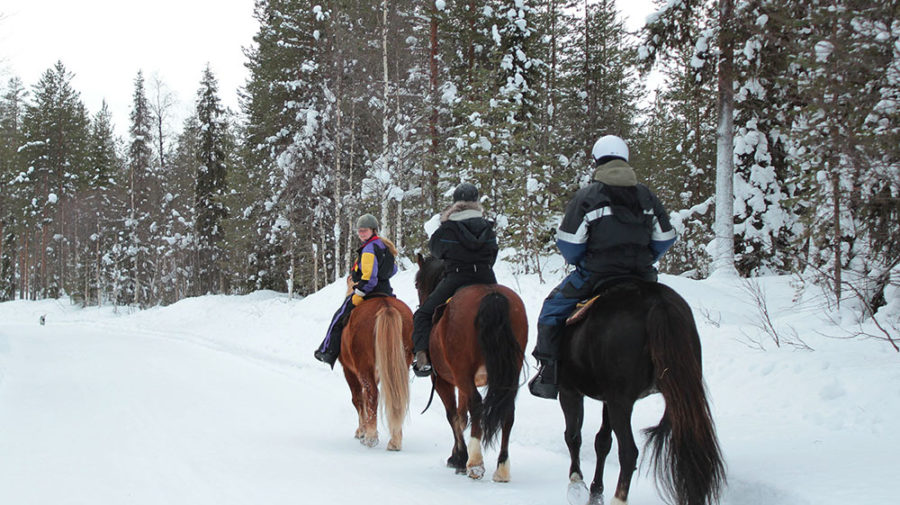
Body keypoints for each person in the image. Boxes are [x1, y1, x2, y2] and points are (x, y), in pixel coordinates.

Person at [528, 135, 677, 399]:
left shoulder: (587, 196)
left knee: (551, 309)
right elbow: (665, 238)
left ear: (597, 161)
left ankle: (548, 373)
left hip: (596, 275)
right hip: (642, 276)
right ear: (625, 158)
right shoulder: (647, 196)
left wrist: (583, 261)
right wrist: (646, 258)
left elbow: (569, 243)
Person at [411, 182, 499, 376]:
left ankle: (423, 358)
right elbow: (493, 255)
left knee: (423, 315)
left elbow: (435, 251)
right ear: (476, 201)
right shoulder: (488, 227)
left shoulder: (448, 228)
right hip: (487, 279)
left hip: (457, 278)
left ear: (455, 203)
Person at [314, 213, 398, 368]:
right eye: (359, 231)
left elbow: (370, 277)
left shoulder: (368, 249)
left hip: (368, 291)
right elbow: (393, 270)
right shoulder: (385, 246)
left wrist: (359, 293)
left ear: (373, 230)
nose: (361, 233)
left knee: (339, 316)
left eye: (364, 230)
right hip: (386, 291)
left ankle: (327, 351)